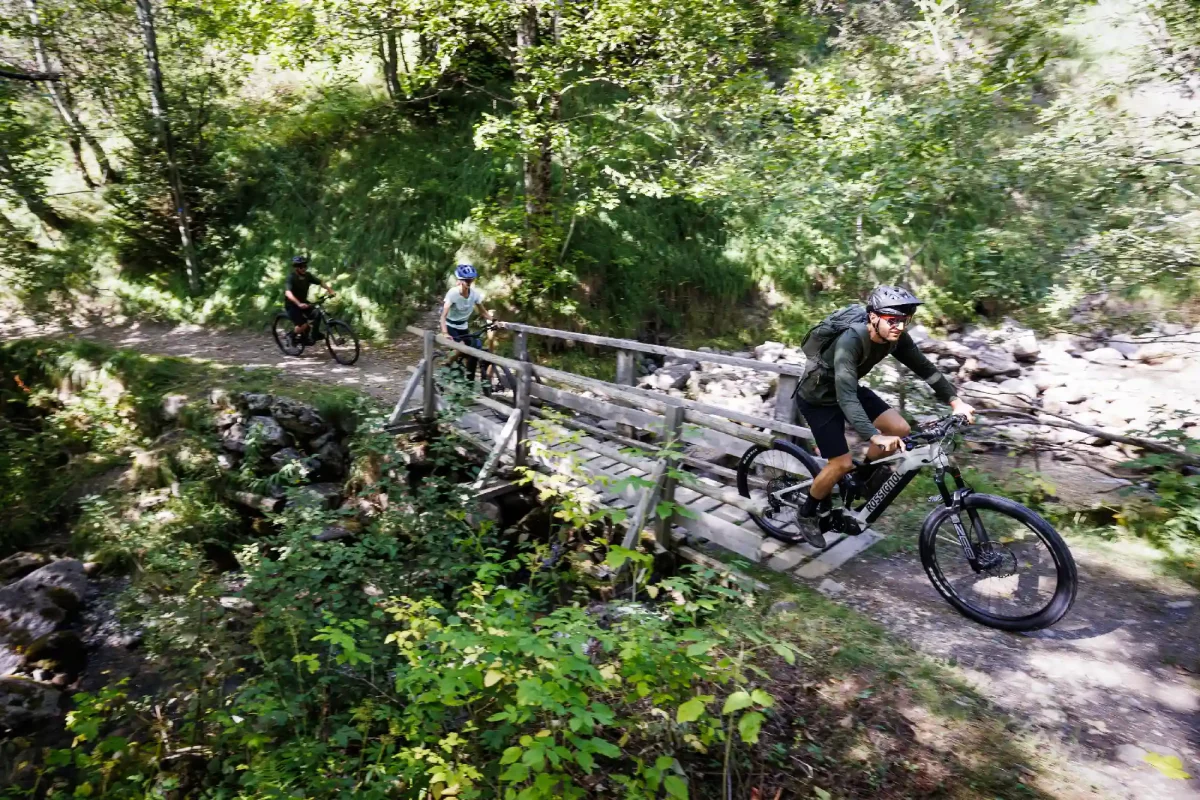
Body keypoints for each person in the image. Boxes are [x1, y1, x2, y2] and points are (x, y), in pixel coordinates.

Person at [794, 285, 975, 547]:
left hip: (848, 388)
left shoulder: (896, 338)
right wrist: (873, 436)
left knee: (900, 428)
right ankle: (807, 512)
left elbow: (924, 367)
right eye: (892, 320)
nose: (899, 327)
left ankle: (858, 480)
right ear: (873, 317)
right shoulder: (851, 340)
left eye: (905, 321)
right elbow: (845, 399)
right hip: (819, 398)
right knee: (840, 463)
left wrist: (955, 401)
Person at [439, 264, 496, 383]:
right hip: (450, 326)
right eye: (466, 279)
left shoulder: (474, 295)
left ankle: (469, 383)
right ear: (460, 280)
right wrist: (444, 333)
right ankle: (446, 363)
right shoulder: (453, 293)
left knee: (474, 350)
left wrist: (495, 321)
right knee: (461, 346)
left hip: (463, 326)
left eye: (471, 279)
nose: (468, 282)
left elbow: (483, 312)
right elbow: (443, 317)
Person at [284, 255, 335, 345]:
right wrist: (298, 303)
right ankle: (291, 336)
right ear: (296, 268)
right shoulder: (291, 278)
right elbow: (288, 293)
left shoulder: (308, 276)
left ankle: (314, 334)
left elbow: (320, 282)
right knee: (304, 325)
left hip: (304, 302)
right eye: (301, 266)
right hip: (292, 305)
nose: (303, 268)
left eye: (305, 266)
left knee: (317, 313)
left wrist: (330, 290)